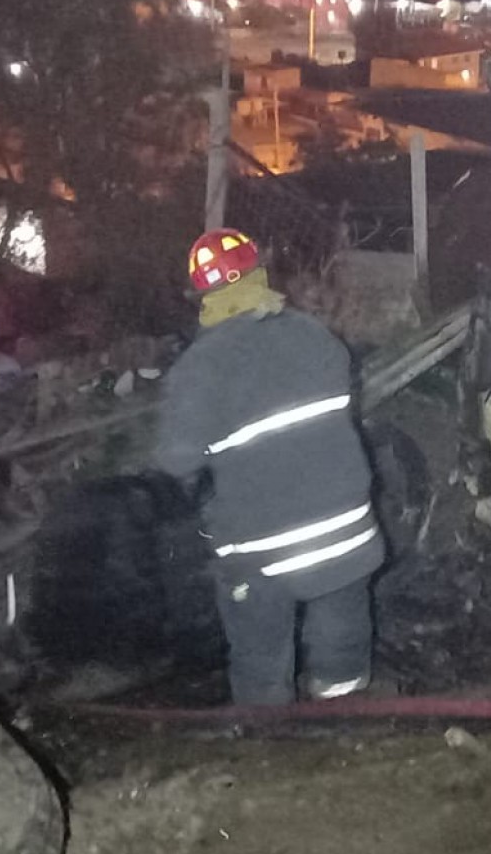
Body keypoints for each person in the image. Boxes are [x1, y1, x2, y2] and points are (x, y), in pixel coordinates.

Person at [154, 228, 385, 705]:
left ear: (201, 294)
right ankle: (347, 730)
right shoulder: (317, 337)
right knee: (341, 662)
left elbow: (175, 461)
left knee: (262, 668)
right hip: (346, 536)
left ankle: (268, 740)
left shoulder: (198, 369)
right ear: (261, 275)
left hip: (262, 554)